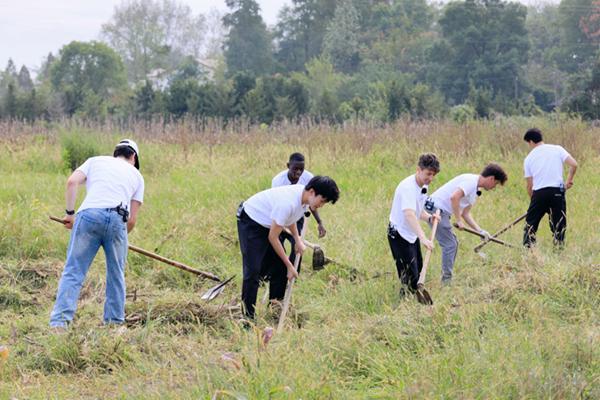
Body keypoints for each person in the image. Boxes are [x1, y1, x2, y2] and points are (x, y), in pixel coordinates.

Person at [49, 139, 144, 329]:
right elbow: (131, 220)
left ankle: (59, 323)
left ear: (115, 153)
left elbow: (71, 182)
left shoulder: (95, 161)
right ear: (133, 157)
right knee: (116, 275)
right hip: (119, 218)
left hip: (88, 215)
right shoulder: (137, 176)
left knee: (74, 271)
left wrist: (70, 214)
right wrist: (120, 237)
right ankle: (114, 325)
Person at [237, 176, 340, 319]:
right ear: (312, 192)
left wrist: (297, 240)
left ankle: (275, 309)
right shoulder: (288, 203)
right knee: (253, 271)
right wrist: (290, 265)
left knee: (280, 267)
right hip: (251, 221)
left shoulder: (302, 199)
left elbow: (291, 218)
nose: (322, 205)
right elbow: (273, 237)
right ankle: (247, 318)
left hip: (268, 223)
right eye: (322, 200)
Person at [430, 164, 508, 283]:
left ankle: (446, 278)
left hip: (442, 211)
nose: (493, 187)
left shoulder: (476, 190)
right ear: (491, 178)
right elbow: (454, 197)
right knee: (450, 244)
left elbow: (466, 213)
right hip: (436, 209)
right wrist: (458, 220)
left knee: (453, 243)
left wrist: (480, 231)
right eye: (496, 184)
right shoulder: (471, 181)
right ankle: (446, 281)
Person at [388, 153, 440, 297]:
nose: (430, 178)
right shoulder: (408, 187)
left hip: (410, 233)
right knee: (409, 276)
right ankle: (405, 304)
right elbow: (409, 214)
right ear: (418, 170)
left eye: (433, 175)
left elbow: (418, 211)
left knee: (417, 268)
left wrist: (430, 218)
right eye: (428, 174)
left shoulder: (423, 185)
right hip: (398, 234)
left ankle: (413, 299)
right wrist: (423, 238)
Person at [522, 128, 577, 248]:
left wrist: (533, 200)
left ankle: (528, 249)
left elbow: (529, 185)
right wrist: (568, 181)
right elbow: (574, 164)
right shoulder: (557, 149)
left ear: (531, 142)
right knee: (558, 224)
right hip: (557, 192)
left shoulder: (528, 158)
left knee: (531, 223)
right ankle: (559, 248)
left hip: (539, 193)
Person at [272, 152, 326, 272]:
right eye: (295, 169)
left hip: (298, 215)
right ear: (288, 166)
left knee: (297, 245)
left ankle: (294, 272)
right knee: (277, 244)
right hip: (280, 215)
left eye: (301, 169)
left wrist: (319, 222)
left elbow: (313, 203)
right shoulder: (278, 181)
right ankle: (278, 272)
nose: (298, 173)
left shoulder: (309, 178)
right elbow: (276, 206)